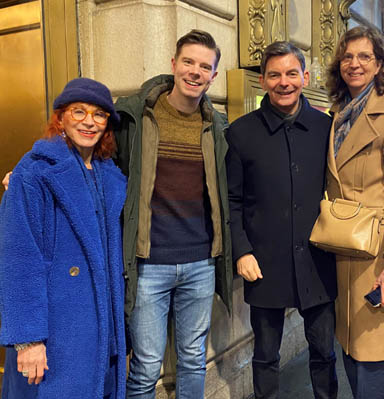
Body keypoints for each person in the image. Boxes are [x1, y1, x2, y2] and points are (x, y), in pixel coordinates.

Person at [114, 30, 232, 399]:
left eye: (205, 66)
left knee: (193, 360)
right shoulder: (135, 115)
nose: (195, 71)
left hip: (200, 262)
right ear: (174, 64)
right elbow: (96, 158)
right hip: (149, 263)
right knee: (146, 365)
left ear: (213, 75)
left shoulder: (217, 125)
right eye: (189, 62)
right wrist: (28, 171)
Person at [0, 78, 127, 398]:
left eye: (99, 114)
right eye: (78, 111)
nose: (89, 121)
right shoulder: (32, 172)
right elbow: (19, 259)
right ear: (60, 117)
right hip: (56, 333)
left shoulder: (108, 174)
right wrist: (28, 340)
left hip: (100, 333)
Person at [226, 41, 338, 399]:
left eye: (291, 73)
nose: (284, 82)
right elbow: (232, 199)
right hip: (264, 260)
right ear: (263, 80)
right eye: (275, 75)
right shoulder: (241, 133)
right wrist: (241, 251)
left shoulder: (326, 128)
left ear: (304, 77)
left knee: (323, 350)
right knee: (265, 355)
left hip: (317, 259)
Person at [324, 27, 384, 398]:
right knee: (351, 352)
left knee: (375, 361)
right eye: (347, 56)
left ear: (379, 64)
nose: (354, 63)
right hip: (344, 249)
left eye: (364, 56)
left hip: (377, 255)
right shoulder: (339, 113)